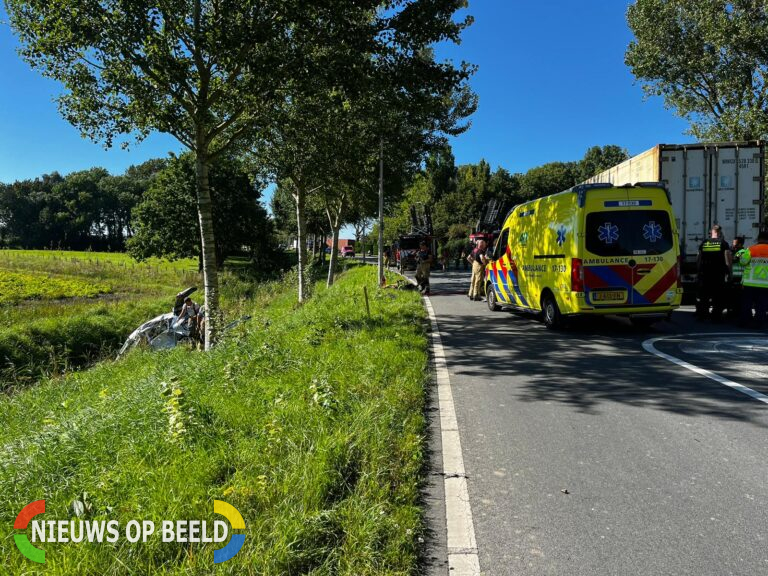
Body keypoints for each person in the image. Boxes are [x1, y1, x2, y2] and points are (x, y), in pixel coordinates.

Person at [696, 224, 731, 321]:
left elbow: (698, 258)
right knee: (717, 296)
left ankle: (703, 315)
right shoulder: (723, 243)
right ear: (719, 232)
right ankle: (716, 316)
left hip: (705, 274)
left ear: (711, 232)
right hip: (718, 275)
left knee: (704, 296)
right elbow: (727, 259)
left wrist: (698, 272)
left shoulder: (704, 243)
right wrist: (729, 272)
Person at [739, 230, 768, 328]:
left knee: (747, 304)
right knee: (762, 305)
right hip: (765, 283)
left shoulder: (751, 249)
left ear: (759, 238)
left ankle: (745, 321)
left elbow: (743, 262)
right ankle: (759, 322)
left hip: (750, 283)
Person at [728, 236, 746, 318]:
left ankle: (737, 313)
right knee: (734, 296)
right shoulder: (736, 251)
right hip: (734, 277)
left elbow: (734, 259)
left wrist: (729, 253)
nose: (733, 245)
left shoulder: (742, 252)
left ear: (740, 244)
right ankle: (734, 311)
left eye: (735, 244)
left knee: (738, 297)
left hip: (739, 277)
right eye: (733, 243)